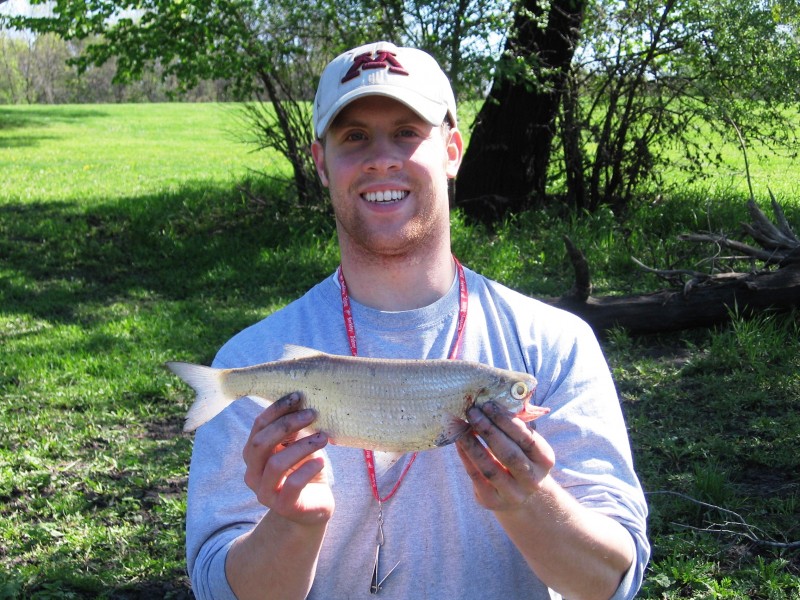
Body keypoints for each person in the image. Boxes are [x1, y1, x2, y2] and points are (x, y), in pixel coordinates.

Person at [185, 41, 649, 600]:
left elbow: (611, 581)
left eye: (408, 131)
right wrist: (291, 524)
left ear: (452, 150)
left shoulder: (555, 344)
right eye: (354, 136)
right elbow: (214, 587)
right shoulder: (251, 364)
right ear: (321, 163)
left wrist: (530, 501)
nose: (382, 158)